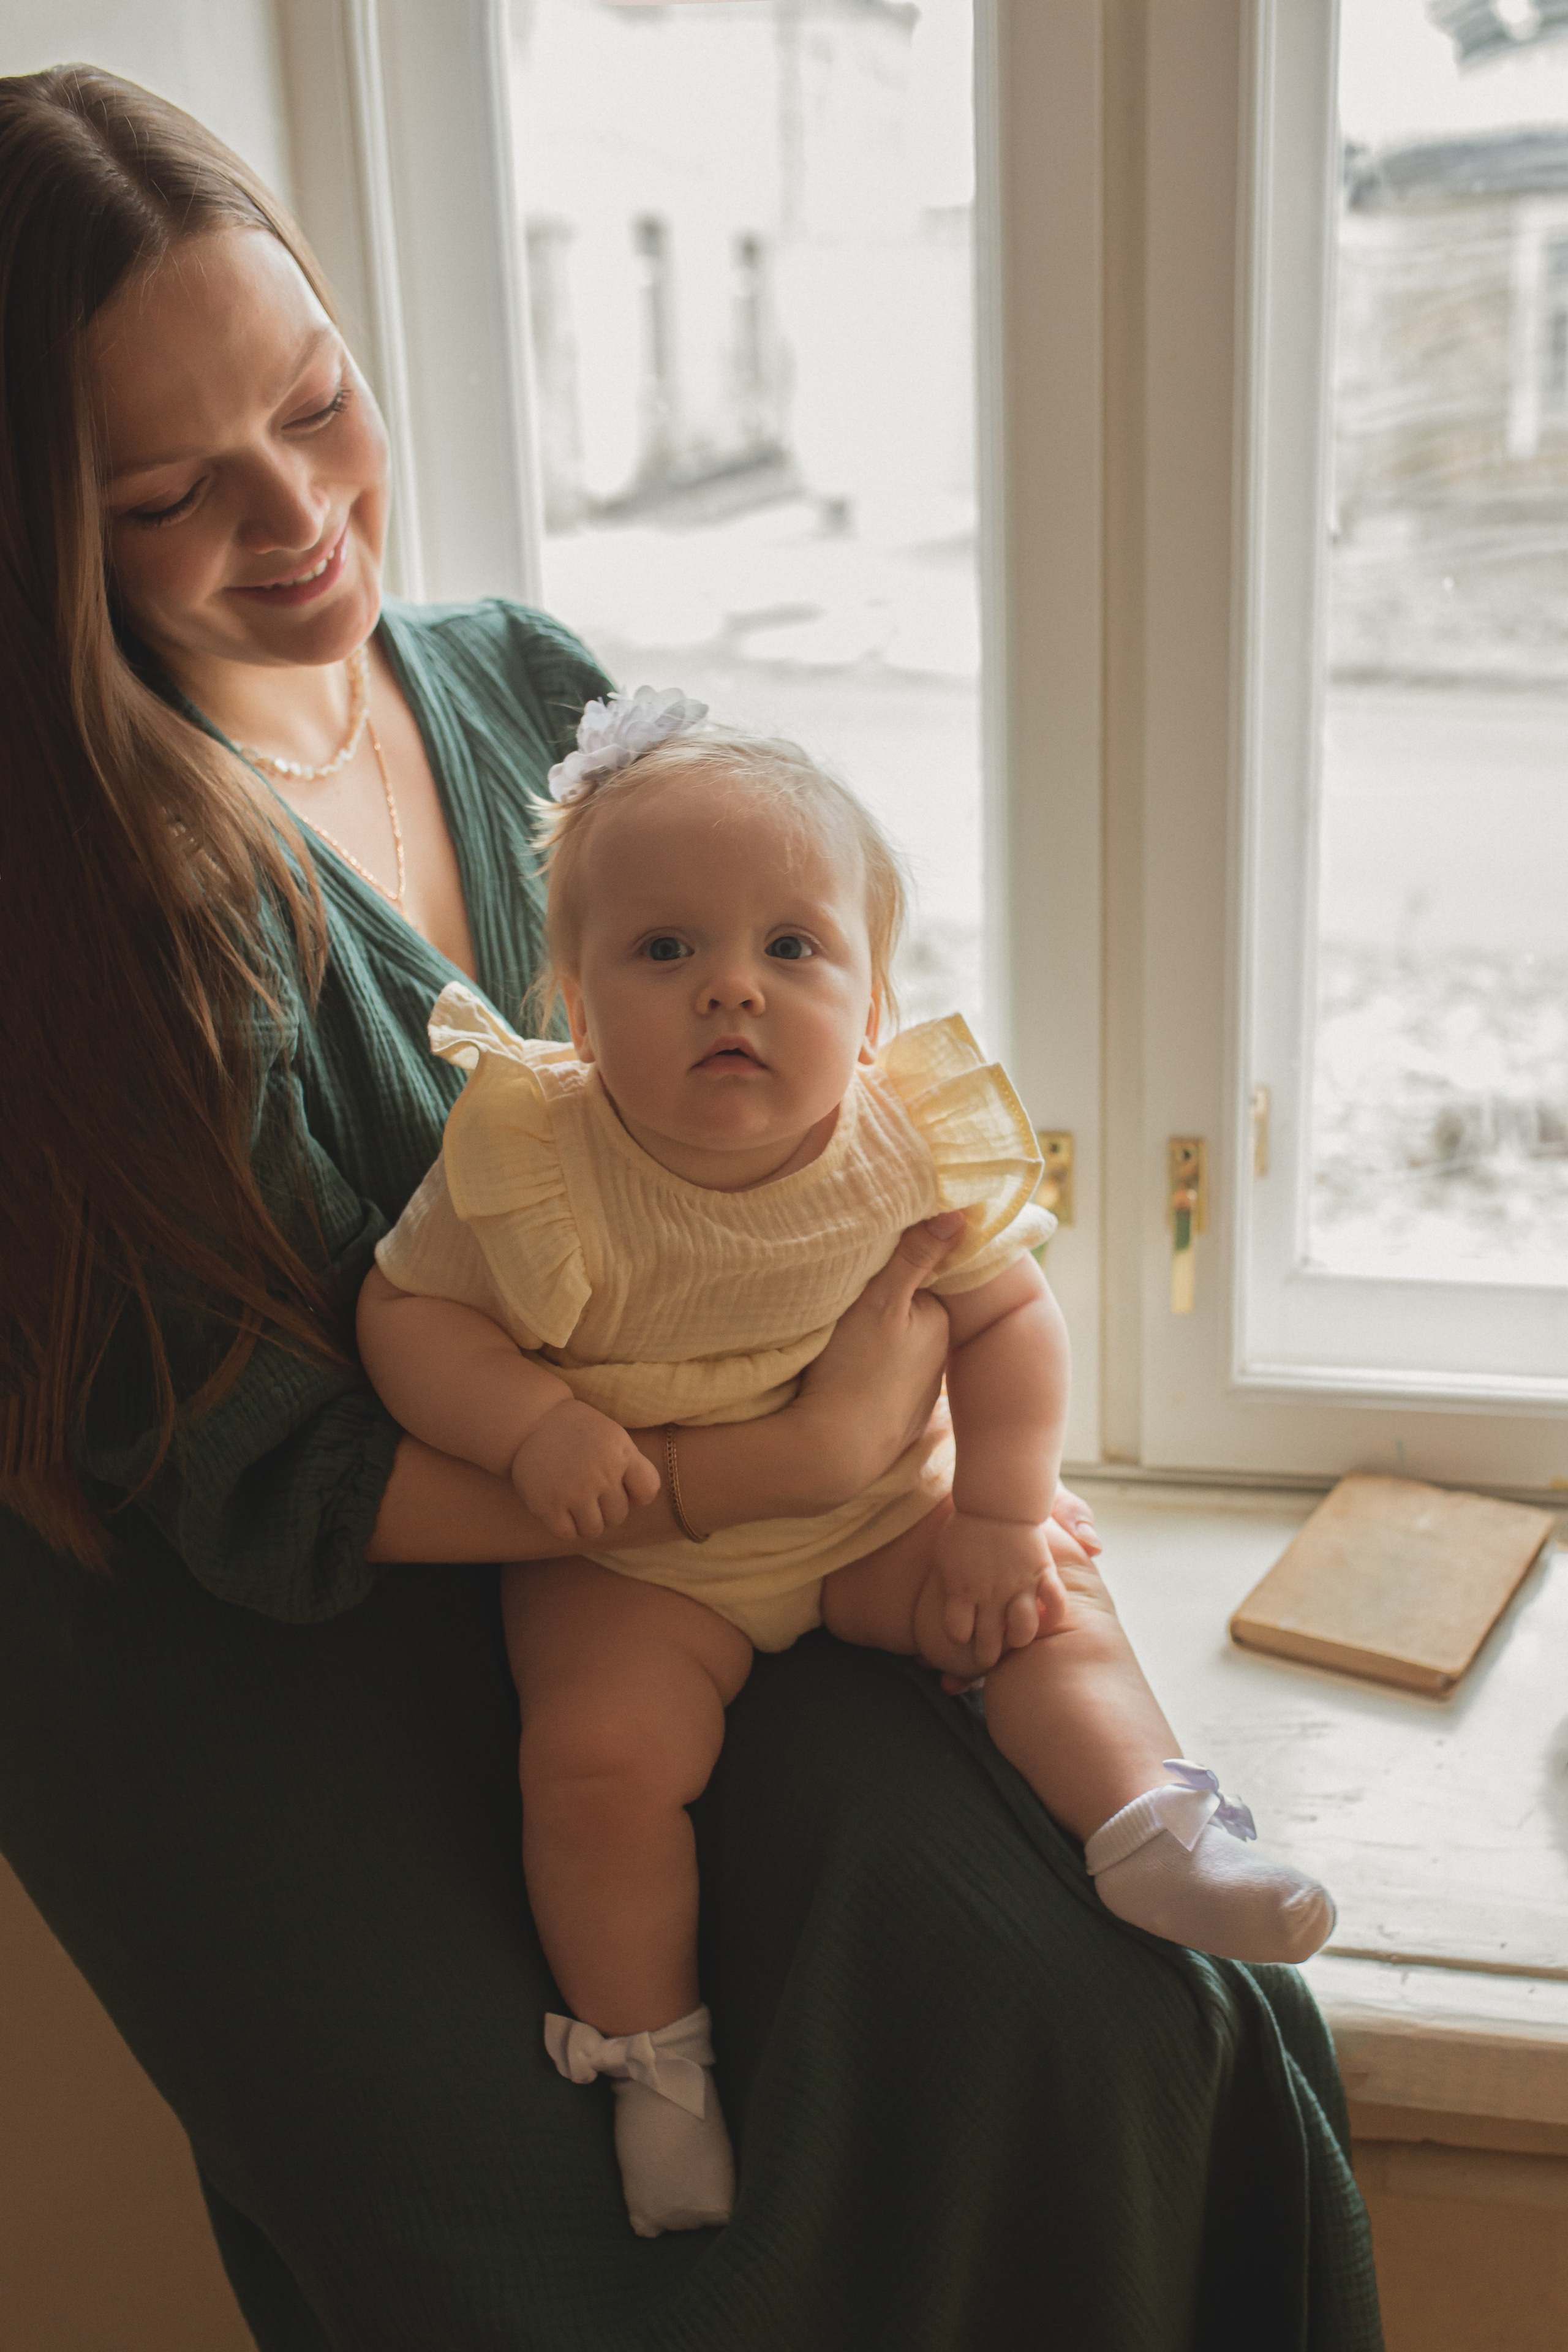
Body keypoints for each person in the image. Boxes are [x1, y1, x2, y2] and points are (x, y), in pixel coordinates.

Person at [0, 64, 1382, 2352]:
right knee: (581, 2266)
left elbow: (797, 1057)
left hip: (668, 1556)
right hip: (283, 1677)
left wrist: (951, 1456)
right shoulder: (99, 908)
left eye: (319, 403)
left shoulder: (533, 699)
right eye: (168, 495)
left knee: (1104, 2016)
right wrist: (797, 1462)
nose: (301, 518)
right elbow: (244, 1475)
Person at [358, 705, 1335, 2237]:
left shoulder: (901, 1150)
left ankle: (1152, 1830)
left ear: (874, 1006)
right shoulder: (531, 1158)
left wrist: (1002, 1509)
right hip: (635, 1556)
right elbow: (401, 1315)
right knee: (595, 1769)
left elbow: (1010, 1312)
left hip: (877, 1514)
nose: (731, 986)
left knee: (1043, 1604)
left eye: (792, 950)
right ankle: (653, 2065)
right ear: (572, 1000)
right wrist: (525, 1428)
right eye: (664, 950)